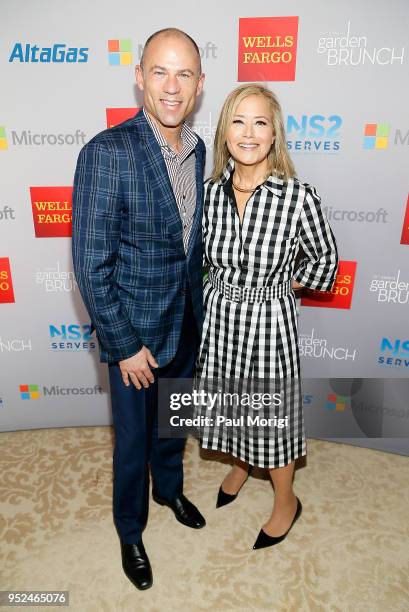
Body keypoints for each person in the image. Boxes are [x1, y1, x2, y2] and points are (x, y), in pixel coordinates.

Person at [72, 28, 206, 590]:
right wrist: (124, 345)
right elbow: (90, 264)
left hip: (184, 325)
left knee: (172, 427)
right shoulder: (107, 152)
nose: (171, 87)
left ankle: (170, 488)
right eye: (160, 71)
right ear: (138, 76)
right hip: (135, 337)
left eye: (183, 75)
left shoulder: (200, 152)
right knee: (130, 443)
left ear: (199, 85)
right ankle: (130, 528)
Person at [195, 84, 338, 550]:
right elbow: (198, 260)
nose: (249, 133)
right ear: (224, 132)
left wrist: (280, 288)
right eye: (238, 121)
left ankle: (286, 499)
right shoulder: (209, 192)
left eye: (260, 122)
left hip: (269, 324)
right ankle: (241, 463)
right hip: (220, 320)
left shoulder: (298, 197)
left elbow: (325, 263)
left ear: (274, 134)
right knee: (231, 405)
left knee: (272, 419)